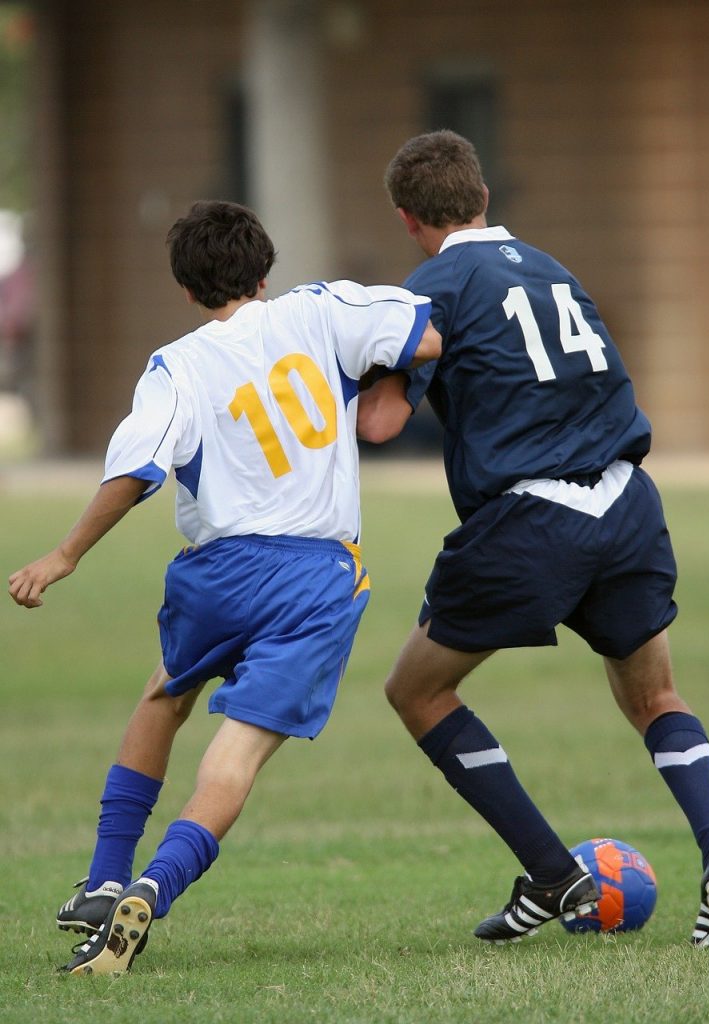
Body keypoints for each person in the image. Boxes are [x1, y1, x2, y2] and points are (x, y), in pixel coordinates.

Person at [8, 199, 440, 976]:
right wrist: (390, 379)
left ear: (186, 290)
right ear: (266, 271)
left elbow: (135, 472)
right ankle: (152, 886)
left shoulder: (177, 364)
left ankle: (106, 878)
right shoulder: (320, 310)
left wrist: (66, 553)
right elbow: (431, 332)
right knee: (234, 760)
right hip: (315, 576)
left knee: (162, 697)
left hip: (217, 574)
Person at [357, 130, 709, 948]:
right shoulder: (553, 269)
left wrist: (346, 360)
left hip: (531, 519)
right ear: (484, 196)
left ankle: (550, 871)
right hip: (628, 500)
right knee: (654, 700)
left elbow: (381, 422)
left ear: (406, 218)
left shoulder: (431, 285)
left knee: (415, 691)